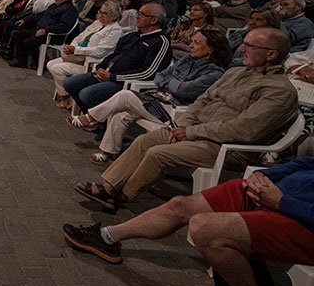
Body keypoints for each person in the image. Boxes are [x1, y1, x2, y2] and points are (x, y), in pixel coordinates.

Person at [73, 28, 298, 209]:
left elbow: (244, 130)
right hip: (196, 132)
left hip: (227, 148)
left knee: (157, 153)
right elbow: (202, 100)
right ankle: (109, 187)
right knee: (144, 140)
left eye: (250, 46)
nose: (241, 49)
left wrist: (190, 132)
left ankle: (121, 196)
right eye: (244, 43)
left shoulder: (279, 91)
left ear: (271, 54)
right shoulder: (235, 73)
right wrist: (183, 126)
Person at [63, 157, 314, 286]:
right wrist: (264, 175)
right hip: (274, 195)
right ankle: (107, 237)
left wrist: (281, 202)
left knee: (204, 229)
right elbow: (306, 163)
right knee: (181, 205)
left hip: (300, 217)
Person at [71, 29, 230, 164]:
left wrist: (172, 83)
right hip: (159, 102)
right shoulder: (187, 60)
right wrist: (175, 83)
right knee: (122, 111)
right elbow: (160, 77)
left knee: (125, 96)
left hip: (176, 114)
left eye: (197, 42)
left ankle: (91, 117)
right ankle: (109, 152)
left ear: (211, 49)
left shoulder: (214, 73)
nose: (191, 45)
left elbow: (184, 91)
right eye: (192, 41)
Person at [63, 3, 172, 114]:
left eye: (142, 14)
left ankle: (96, 118)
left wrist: (113, 77)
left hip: (126, 82)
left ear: (153, 20)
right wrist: (101, 67)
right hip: (108, 74)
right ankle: (93, 116)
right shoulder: (132, 35)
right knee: (70, 83)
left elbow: (148, 72)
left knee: (86, 94)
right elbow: (114, 55)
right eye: (138, 13)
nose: (136, 16)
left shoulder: (160, 41)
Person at [47, 1, 123, 109]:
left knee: (57, 69)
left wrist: (76, 50)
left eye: (105, 13)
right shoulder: (97, 23)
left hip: (91, 63)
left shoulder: (115, 30)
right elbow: (79, 37)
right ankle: (66, 95)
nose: (101, 15)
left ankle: (66, 97)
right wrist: (72, 47)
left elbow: (100, 52)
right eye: (100, 12)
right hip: (77, 57)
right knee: (50, 64)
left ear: (114, 16)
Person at [9, 0, 76, 69]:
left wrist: (46, 30)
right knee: (18, 34)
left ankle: (40, 63)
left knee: (28, 42)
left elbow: (64, 27)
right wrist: (25, 20)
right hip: (39, 30)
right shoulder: (54, 5)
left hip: (53, 35)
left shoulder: (70, 10)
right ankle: (21, 61)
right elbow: (41, 15)